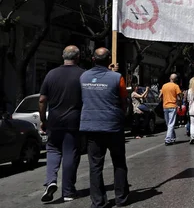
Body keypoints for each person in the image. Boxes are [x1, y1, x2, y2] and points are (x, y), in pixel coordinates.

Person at [80, 48, 130, 208]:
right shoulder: (117, 78)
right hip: (113, 125)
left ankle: (98, 201)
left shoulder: (83, 76)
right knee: (119, 162)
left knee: (95, 166)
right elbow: (124, 100)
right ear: (109, 60)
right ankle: (121, 198)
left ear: (93, 59)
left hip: (91, 126)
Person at [39, 45, 85, 203]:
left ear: (62, 56)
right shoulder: (82, 75)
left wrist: (43, 120)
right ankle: (68, 191)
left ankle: (51, 180)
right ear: (78, 57)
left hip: (54, 121)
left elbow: (42, 100)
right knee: (70, 154)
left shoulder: (51, 74)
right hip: (74, 121)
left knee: (52, 150)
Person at [159, 73, 182, 146]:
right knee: (171, 124)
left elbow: (160, 96)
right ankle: (168, 139)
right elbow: (178, 98)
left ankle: (172, 137)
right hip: (172, 106)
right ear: (176, 80)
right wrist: (180, 106)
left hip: (165, 106)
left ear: (169, 78)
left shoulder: (164, 86)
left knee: (169, 123)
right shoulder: (176, 86)